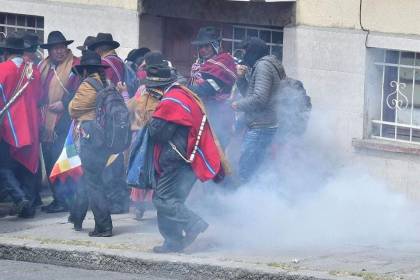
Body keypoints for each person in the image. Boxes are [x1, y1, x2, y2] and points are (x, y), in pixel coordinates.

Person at [144, 52, 227, 253]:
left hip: (176, 159)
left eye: (152, 87)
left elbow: (158, 132)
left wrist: (150, 120)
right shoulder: (182, 94)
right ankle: (173, 242)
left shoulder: (171, 100)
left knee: (162, 199)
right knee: (172, 201)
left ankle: (193, 223)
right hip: (186, 158)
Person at [68, 50, 113, 237]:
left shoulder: (88, 85)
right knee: (89, 178)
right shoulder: (107, 83)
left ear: (85, 70)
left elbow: (73, 108)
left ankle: (104, 226)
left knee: (94, 183)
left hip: (90, 138)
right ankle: (77, 216)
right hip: (104, 138)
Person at [232, 37, 286, 185]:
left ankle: (246, 200)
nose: (243, 58)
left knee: (247, 168)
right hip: (263, 124)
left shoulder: (263, 67)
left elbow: (259, 99)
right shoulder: (265, 65)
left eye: (245, 53)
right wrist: (241, 79)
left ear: (252, 52)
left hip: (260, 126)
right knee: (255, 167)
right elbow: (251, 95)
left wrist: (237, 105)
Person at [0, 33, 42, 218]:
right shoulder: (34, 71)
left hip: (8, 125)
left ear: (6, 52)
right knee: (30, 165)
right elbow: (40, 98)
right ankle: (29, 206)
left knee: (5, 165)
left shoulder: (2, 69)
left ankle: (20, 197)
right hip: (31, 124)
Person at [38, 31, 80, 213]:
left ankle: (66, 199)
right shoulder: (44, 66)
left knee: (61, 161)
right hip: (46, 122)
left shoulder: (75, 65)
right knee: (50, 160)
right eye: (55, 48)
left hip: (65, 122)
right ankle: (58, 198)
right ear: (50, 51)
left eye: (62, 47)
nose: (60, 51)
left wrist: (64, 103)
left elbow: (80, 90)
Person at [89, 33, 129, 214]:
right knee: (116, 155)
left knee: (111, 159)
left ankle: (116, 200)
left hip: (109, 114)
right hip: (118, 112)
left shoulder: (106, 64)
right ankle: (119, 199)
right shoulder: (118, 62)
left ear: (100, 49)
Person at [189, 26, 237, 149]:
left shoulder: (224, 61)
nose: (203, 50)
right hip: (202, 112)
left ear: (215, 45)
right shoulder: (200, 63)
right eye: (201, 47)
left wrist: (184, 88)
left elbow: (207, 89)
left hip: (218, 114)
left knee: (216, 150)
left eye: (207, 46)